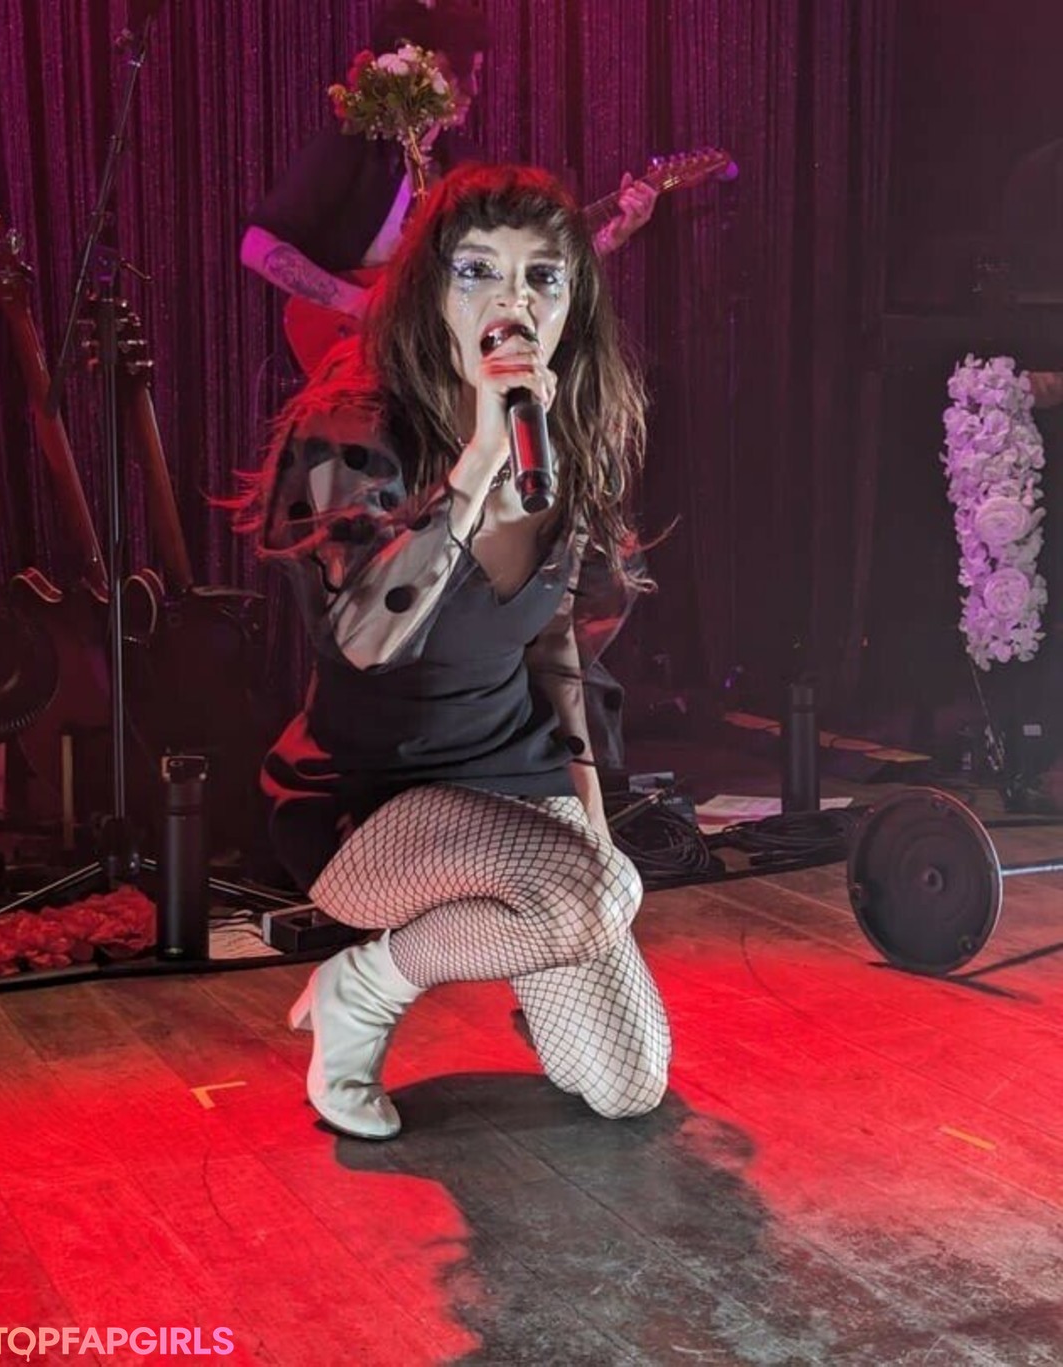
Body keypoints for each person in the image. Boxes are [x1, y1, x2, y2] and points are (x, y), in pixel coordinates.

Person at [233, 162, 671, 1140]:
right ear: (432, 290)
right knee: (598, 893)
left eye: (542, 277)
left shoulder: (564, 435)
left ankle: (544, 912)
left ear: (573, 302)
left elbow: (556, 651)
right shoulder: (350, 424)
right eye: (480, 272)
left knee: (626, 1083)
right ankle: (361, 989)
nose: (513, 303)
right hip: (370, 798)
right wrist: (473, 468)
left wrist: (591, 832)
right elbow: (365, 636)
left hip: (513, 781)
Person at [240, 0, 657, 352]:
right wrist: (357, 303)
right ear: (416, 68)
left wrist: (607, 237)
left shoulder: (464, 165)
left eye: (476, 73)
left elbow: (511, 264)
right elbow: (257, 245)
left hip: (427, 358)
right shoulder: (355, 145)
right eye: (458, 72)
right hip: (349, 352)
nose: (473, 89)